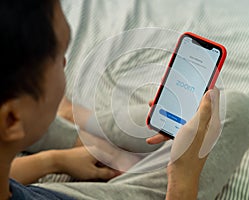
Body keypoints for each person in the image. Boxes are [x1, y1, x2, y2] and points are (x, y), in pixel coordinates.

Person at [0, 0, 222, 199]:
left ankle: (79, 125)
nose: (66, 63)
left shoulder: (10, 118)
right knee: (231, 112)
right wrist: (183, 181)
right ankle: (80, 124)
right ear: (11, 120)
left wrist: (53, 160)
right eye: (59, 58)